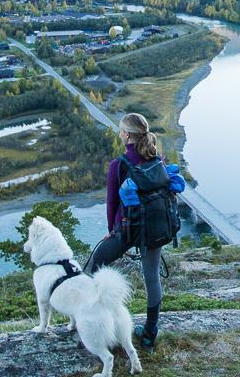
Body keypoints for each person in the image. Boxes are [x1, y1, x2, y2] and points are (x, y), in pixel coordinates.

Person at [85, 113, 184, 351]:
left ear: (127, 135)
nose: (120, 134)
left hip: (128, 230)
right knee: (152, 278)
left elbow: (112, 204)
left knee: (92, 267)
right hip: (155, 229)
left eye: (121, 131)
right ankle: (149, 334)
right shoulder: (157, 157)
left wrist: (112, 231)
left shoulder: (119, 164)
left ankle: (94, 328)